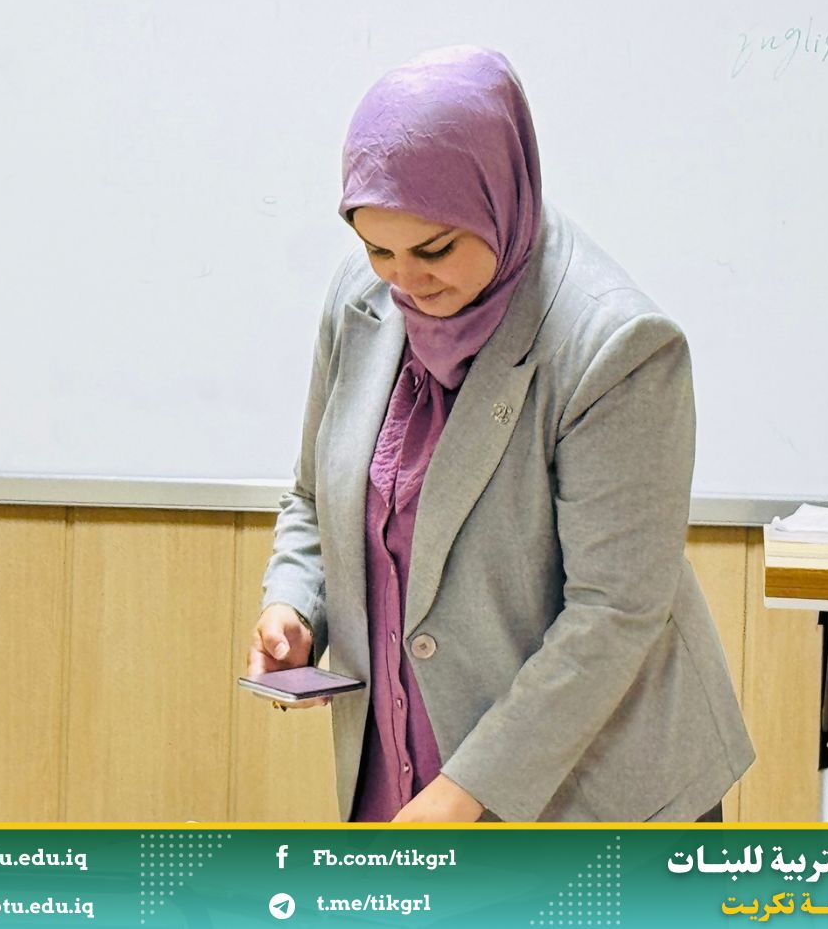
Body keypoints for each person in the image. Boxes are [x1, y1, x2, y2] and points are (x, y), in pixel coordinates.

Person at [245, 45, 754, 823]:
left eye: (435, 249)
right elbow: (315, 496)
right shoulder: (362, 300)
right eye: (378, 249)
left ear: (498, 199)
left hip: (593, 801)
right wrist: (293, 604)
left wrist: (467, 791)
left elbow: (613, 612)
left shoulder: (616, 348)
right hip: (403, 771)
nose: (405, 280)